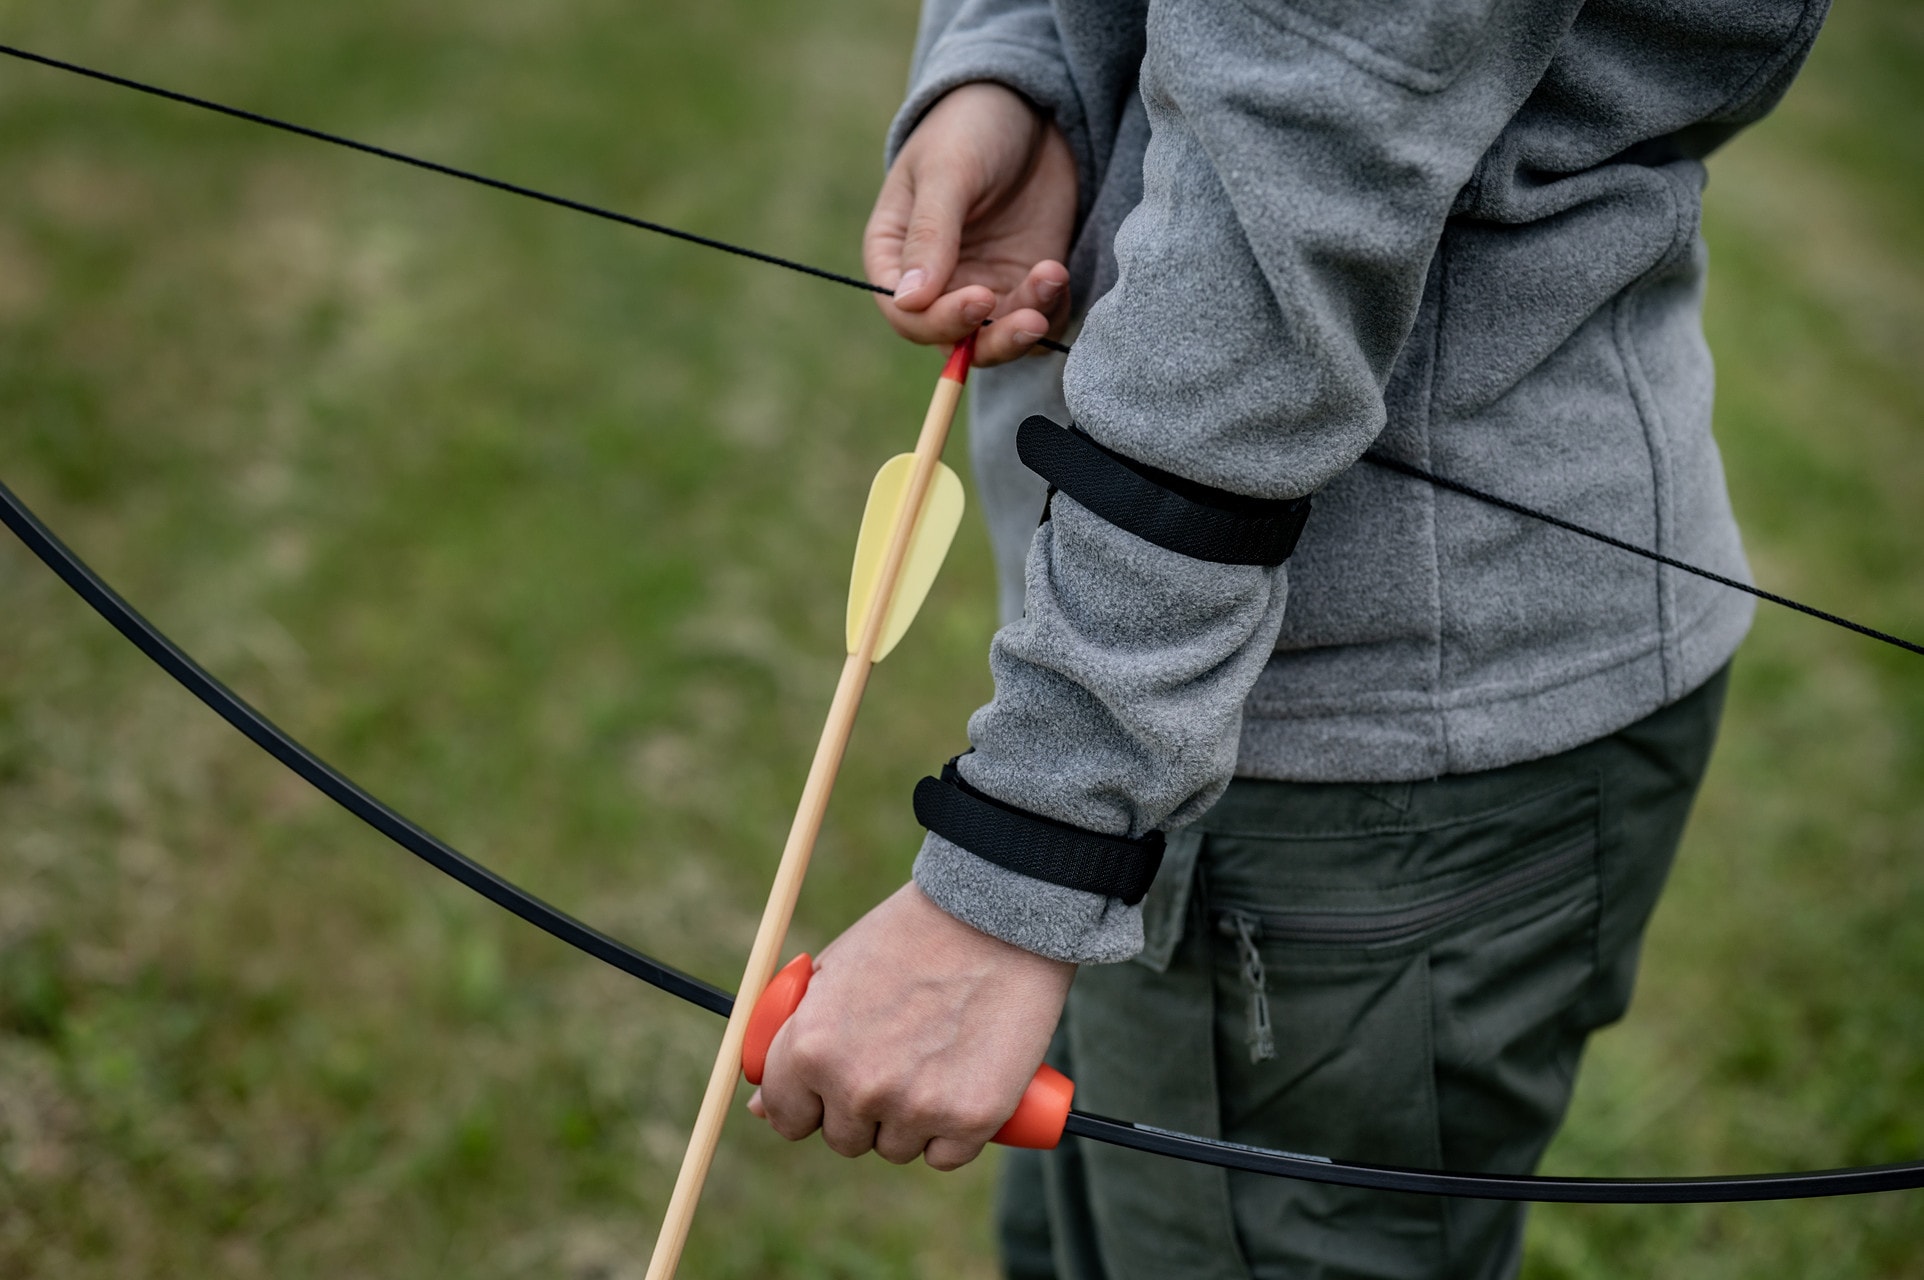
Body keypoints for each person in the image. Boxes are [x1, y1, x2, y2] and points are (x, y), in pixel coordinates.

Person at [747, 0, 1829, 1275]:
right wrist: (1029, 73)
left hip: (1362, 751)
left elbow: (1300, 172)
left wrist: (1030, 857)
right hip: (1200, 708)